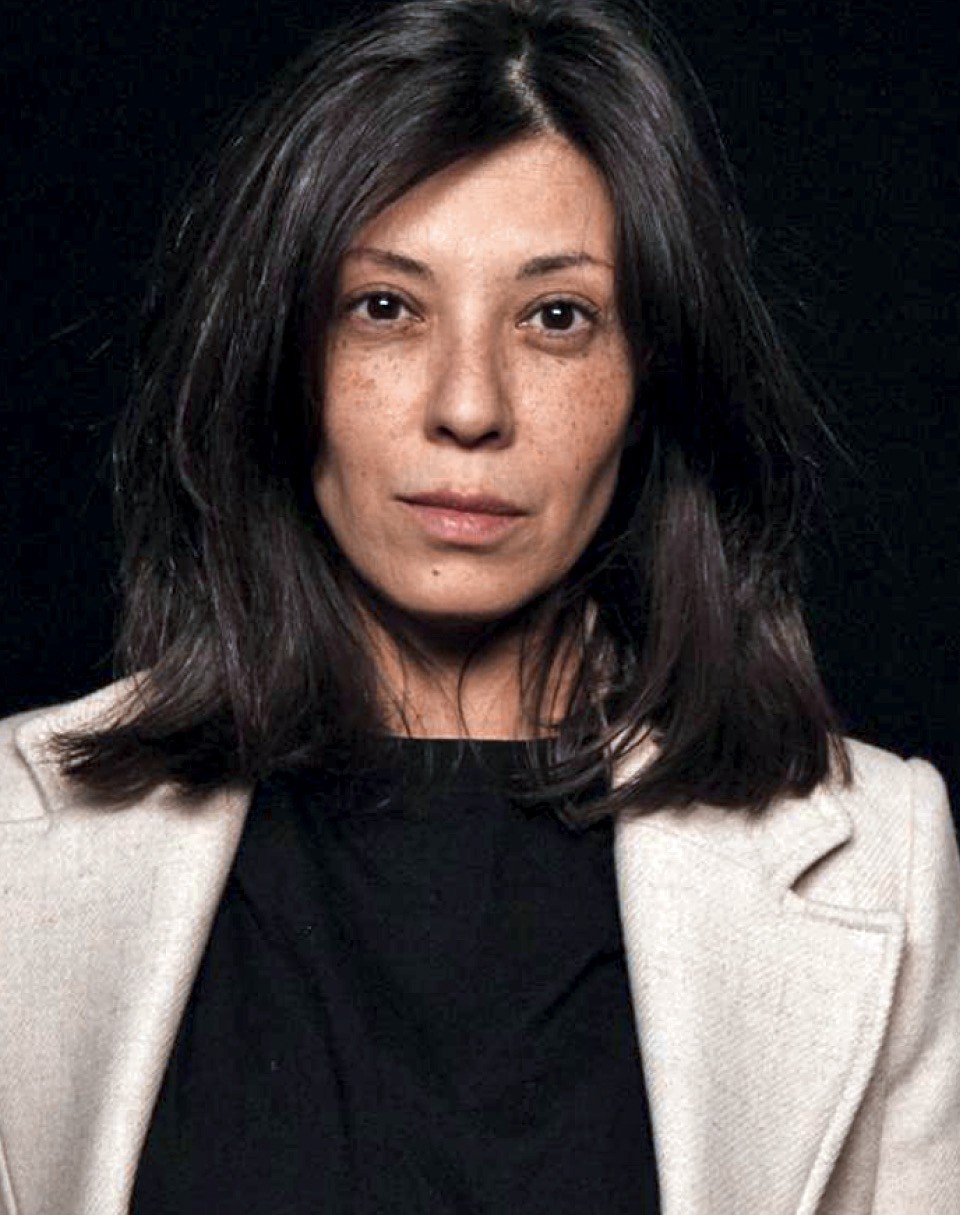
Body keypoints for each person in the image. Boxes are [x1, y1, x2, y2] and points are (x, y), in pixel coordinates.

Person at [1, 0, 958, 1211]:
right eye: (385, 307)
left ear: (650, 378)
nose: (469, 406)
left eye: (557, 318)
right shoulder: (16, 845)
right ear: (282, 356)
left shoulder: (881, 853)